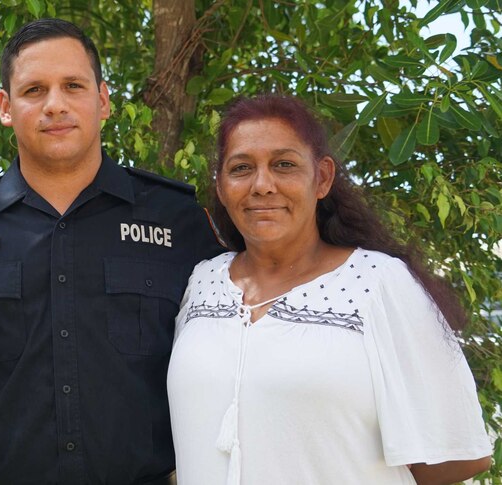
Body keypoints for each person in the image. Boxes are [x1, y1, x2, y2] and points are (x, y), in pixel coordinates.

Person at [0, 18, 223, 484]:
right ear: (6, 107)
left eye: (73, 86)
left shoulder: (176, 219)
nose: (55, 105)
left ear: (102, 100)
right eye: (34, 90)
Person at [167, 94, 492, 485]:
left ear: (321, 178)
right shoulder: (202, 282)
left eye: (284, 165)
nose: (263, 185)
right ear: (220, 186)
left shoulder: (379, 282)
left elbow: (455, 456)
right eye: (241, 168)